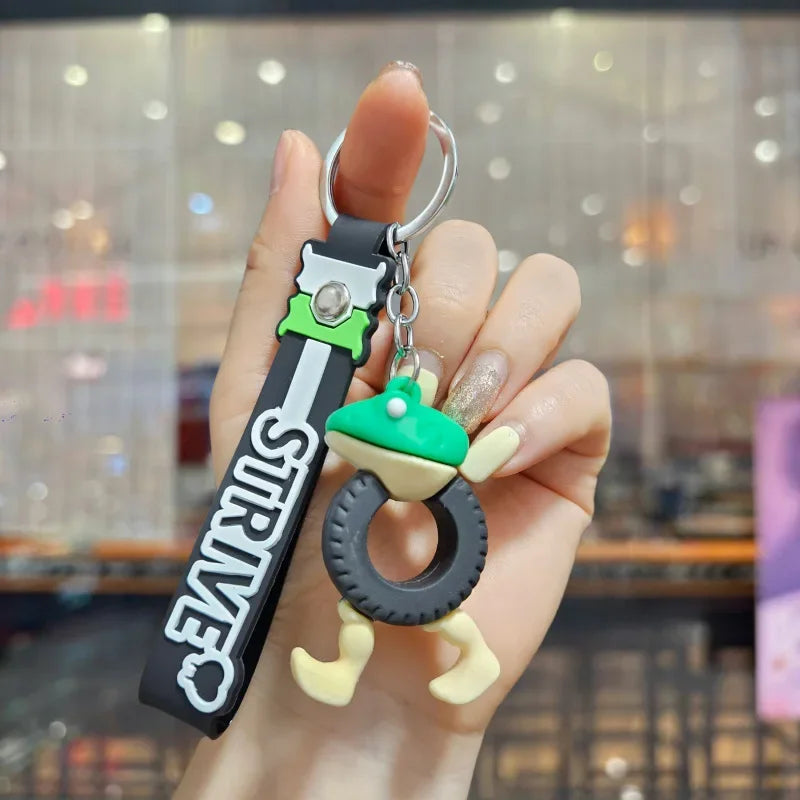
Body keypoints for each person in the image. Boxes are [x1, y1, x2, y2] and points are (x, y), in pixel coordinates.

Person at [175, 61, 611, 799]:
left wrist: (382, 763)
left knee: (428, 618)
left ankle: (447, 664)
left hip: (432, 560)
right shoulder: (328, 452)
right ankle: (346, 677)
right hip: (297, 608)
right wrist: (295, 727)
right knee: (357, 618)